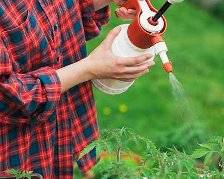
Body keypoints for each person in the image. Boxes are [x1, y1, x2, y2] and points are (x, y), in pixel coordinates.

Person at [0, 0, 155, 178]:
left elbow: (63, 13)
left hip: (70, 136)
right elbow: (6, 96)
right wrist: (88, 69)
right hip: (23, 155)